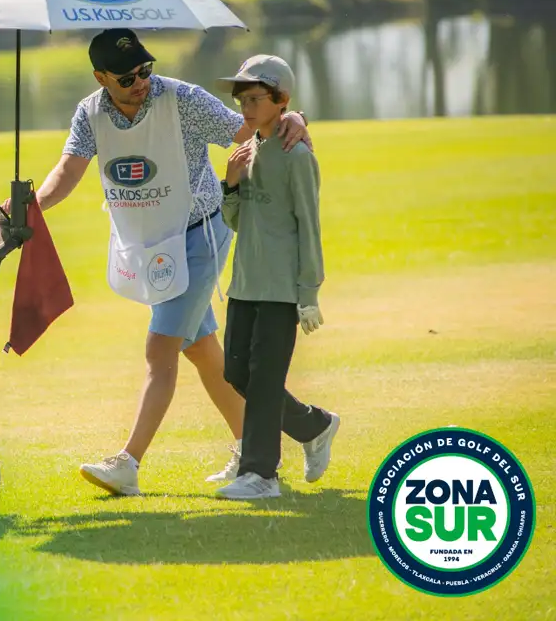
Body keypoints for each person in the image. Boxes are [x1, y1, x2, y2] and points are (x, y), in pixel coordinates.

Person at [23, 28, 310, 497]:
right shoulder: (89, 113)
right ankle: (284, 436)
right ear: (100, 78)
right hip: (153, 247)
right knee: (200, 349)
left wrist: (292, 115)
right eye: (126, 77)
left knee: (160, 350)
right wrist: (30, 208)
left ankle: (128, 463)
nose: (140, 81)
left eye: (145, 70)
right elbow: (68, 171)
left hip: (200, 235)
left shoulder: (182, 100)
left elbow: (243, 129)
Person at [215, 55, 339, 499]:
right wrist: (231, 182)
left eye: (255, 99)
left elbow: (309, 225)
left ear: (281, 100)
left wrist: (309, 292)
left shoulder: (297, 156)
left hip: (282, 288)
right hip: (245, 283)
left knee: (265, 380)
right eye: (242, 100)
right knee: (237, 373)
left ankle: (261, 475)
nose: (246, 108)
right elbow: (236, 221)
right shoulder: (248, 151)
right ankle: (314, 426)